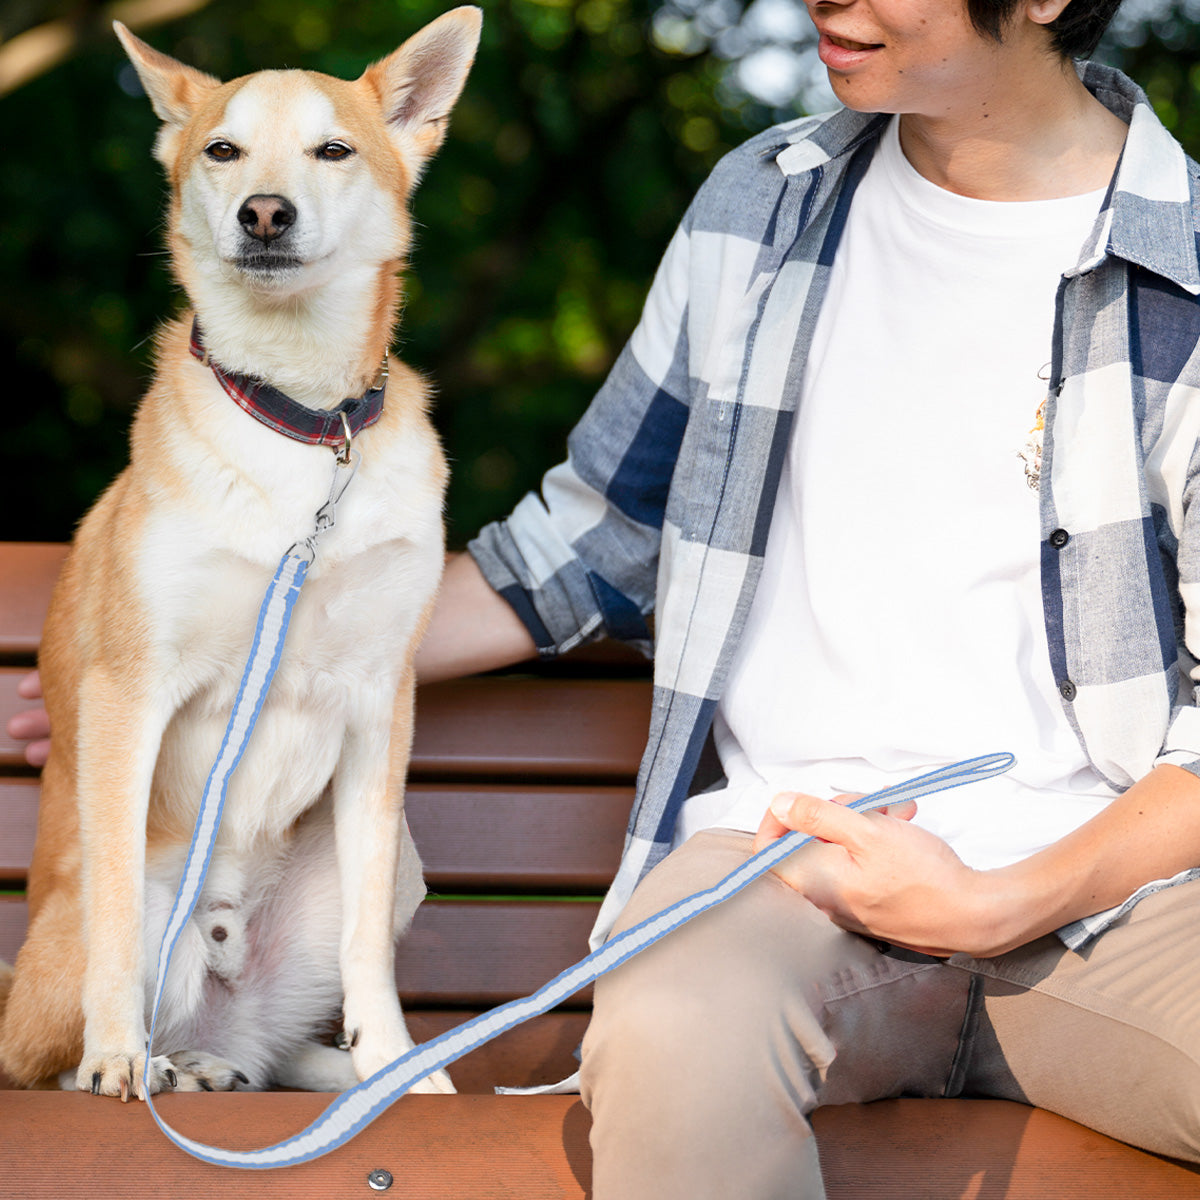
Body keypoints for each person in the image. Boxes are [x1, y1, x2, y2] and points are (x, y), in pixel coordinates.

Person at [12, 0, 1200, 1193]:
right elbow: (590, 545)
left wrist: (1002, 905)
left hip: (1117, 904)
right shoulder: (761, 204)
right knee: (679, 1035)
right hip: (778, 876)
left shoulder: (1186, 259)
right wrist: (187, 661)